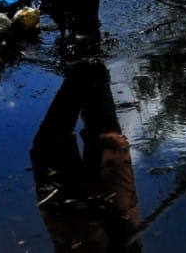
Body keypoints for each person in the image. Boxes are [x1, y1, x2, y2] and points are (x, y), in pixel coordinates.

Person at [30, 59, 141, 250]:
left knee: (53, 148)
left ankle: (85, 65)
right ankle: (88, 63)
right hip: (98, 228)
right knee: (106, 142)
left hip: (82, 230)